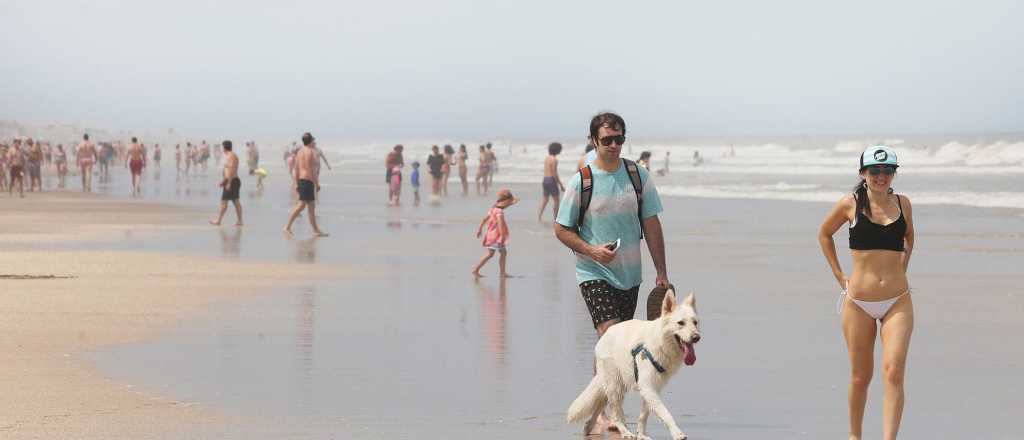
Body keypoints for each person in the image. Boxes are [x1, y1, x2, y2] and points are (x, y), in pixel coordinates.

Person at [553, 112, 668, 435]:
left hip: (630, 276)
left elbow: (652, 225)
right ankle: (607, 413)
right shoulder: (582, 181)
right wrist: (591, 251)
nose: (614, 145)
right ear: (594, 140)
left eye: (619, 139)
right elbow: (561, 229)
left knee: (611, 346)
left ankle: (598, 410)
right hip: (593, 272)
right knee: (611, 336)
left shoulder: (638, 176)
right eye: (607, 140)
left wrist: (661, 271)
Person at [818, 145, 914, 440]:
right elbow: (824, 234)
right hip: (859, 303)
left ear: (893, 174)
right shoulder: (850, 204)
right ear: (863, 173)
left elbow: (910, 238)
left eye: (887, 170)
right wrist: (839, 275)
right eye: (875, 171)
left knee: (893, 371)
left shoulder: (904, 203)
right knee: (861, 377)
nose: (881, 176)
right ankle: (855, 436)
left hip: (898, 301)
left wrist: (902, 268)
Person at [284, 132, 329, 237]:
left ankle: (316, 230)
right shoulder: (310, 152)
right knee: (301, 205)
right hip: (307, 181)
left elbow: (296, 168)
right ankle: (287, 227)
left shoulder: (300, 152)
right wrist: (316, 183)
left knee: (310, 206)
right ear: (310, 141)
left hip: (302, 180)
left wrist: (296, 183)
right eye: (313, 140)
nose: (314, 141)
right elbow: (310, 169)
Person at [472, 188, 518, 278]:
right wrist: (502, 236)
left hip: (490, 235)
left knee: (492, 254)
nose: (509, 204)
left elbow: (484, 219)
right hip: (497, 236)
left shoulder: (493, 208)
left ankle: (476, 269)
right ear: (506, 201)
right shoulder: (499, 212)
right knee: (500, 253)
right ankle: (502, 272)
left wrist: (480, 229)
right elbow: (500, 224)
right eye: (509, 202)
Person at [210, 140, 243, 226]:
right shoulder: (229, 156)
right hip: (230, 181)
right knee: (235, 201)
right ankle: (239, 221)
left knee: (225, 201)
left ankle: (219, 221)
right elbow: (227, 170)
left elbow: (232, 169)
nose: (222, 148)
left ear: (224, 147)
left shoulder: (232, 156)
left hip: (232, 181)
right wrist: (224, 181)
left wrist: (229, 182)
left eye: (222, 147)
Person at [537, 142, 566, 222]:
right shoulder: (554, 159)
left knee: (545, 199)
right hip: (551, 180)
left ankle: (539, 216)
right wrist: (561, 185)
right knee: (556, 200)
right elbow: (554, 173)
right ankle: (556, 219)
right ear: (557, 150)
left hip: (545, 179)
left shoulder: (547, 158)